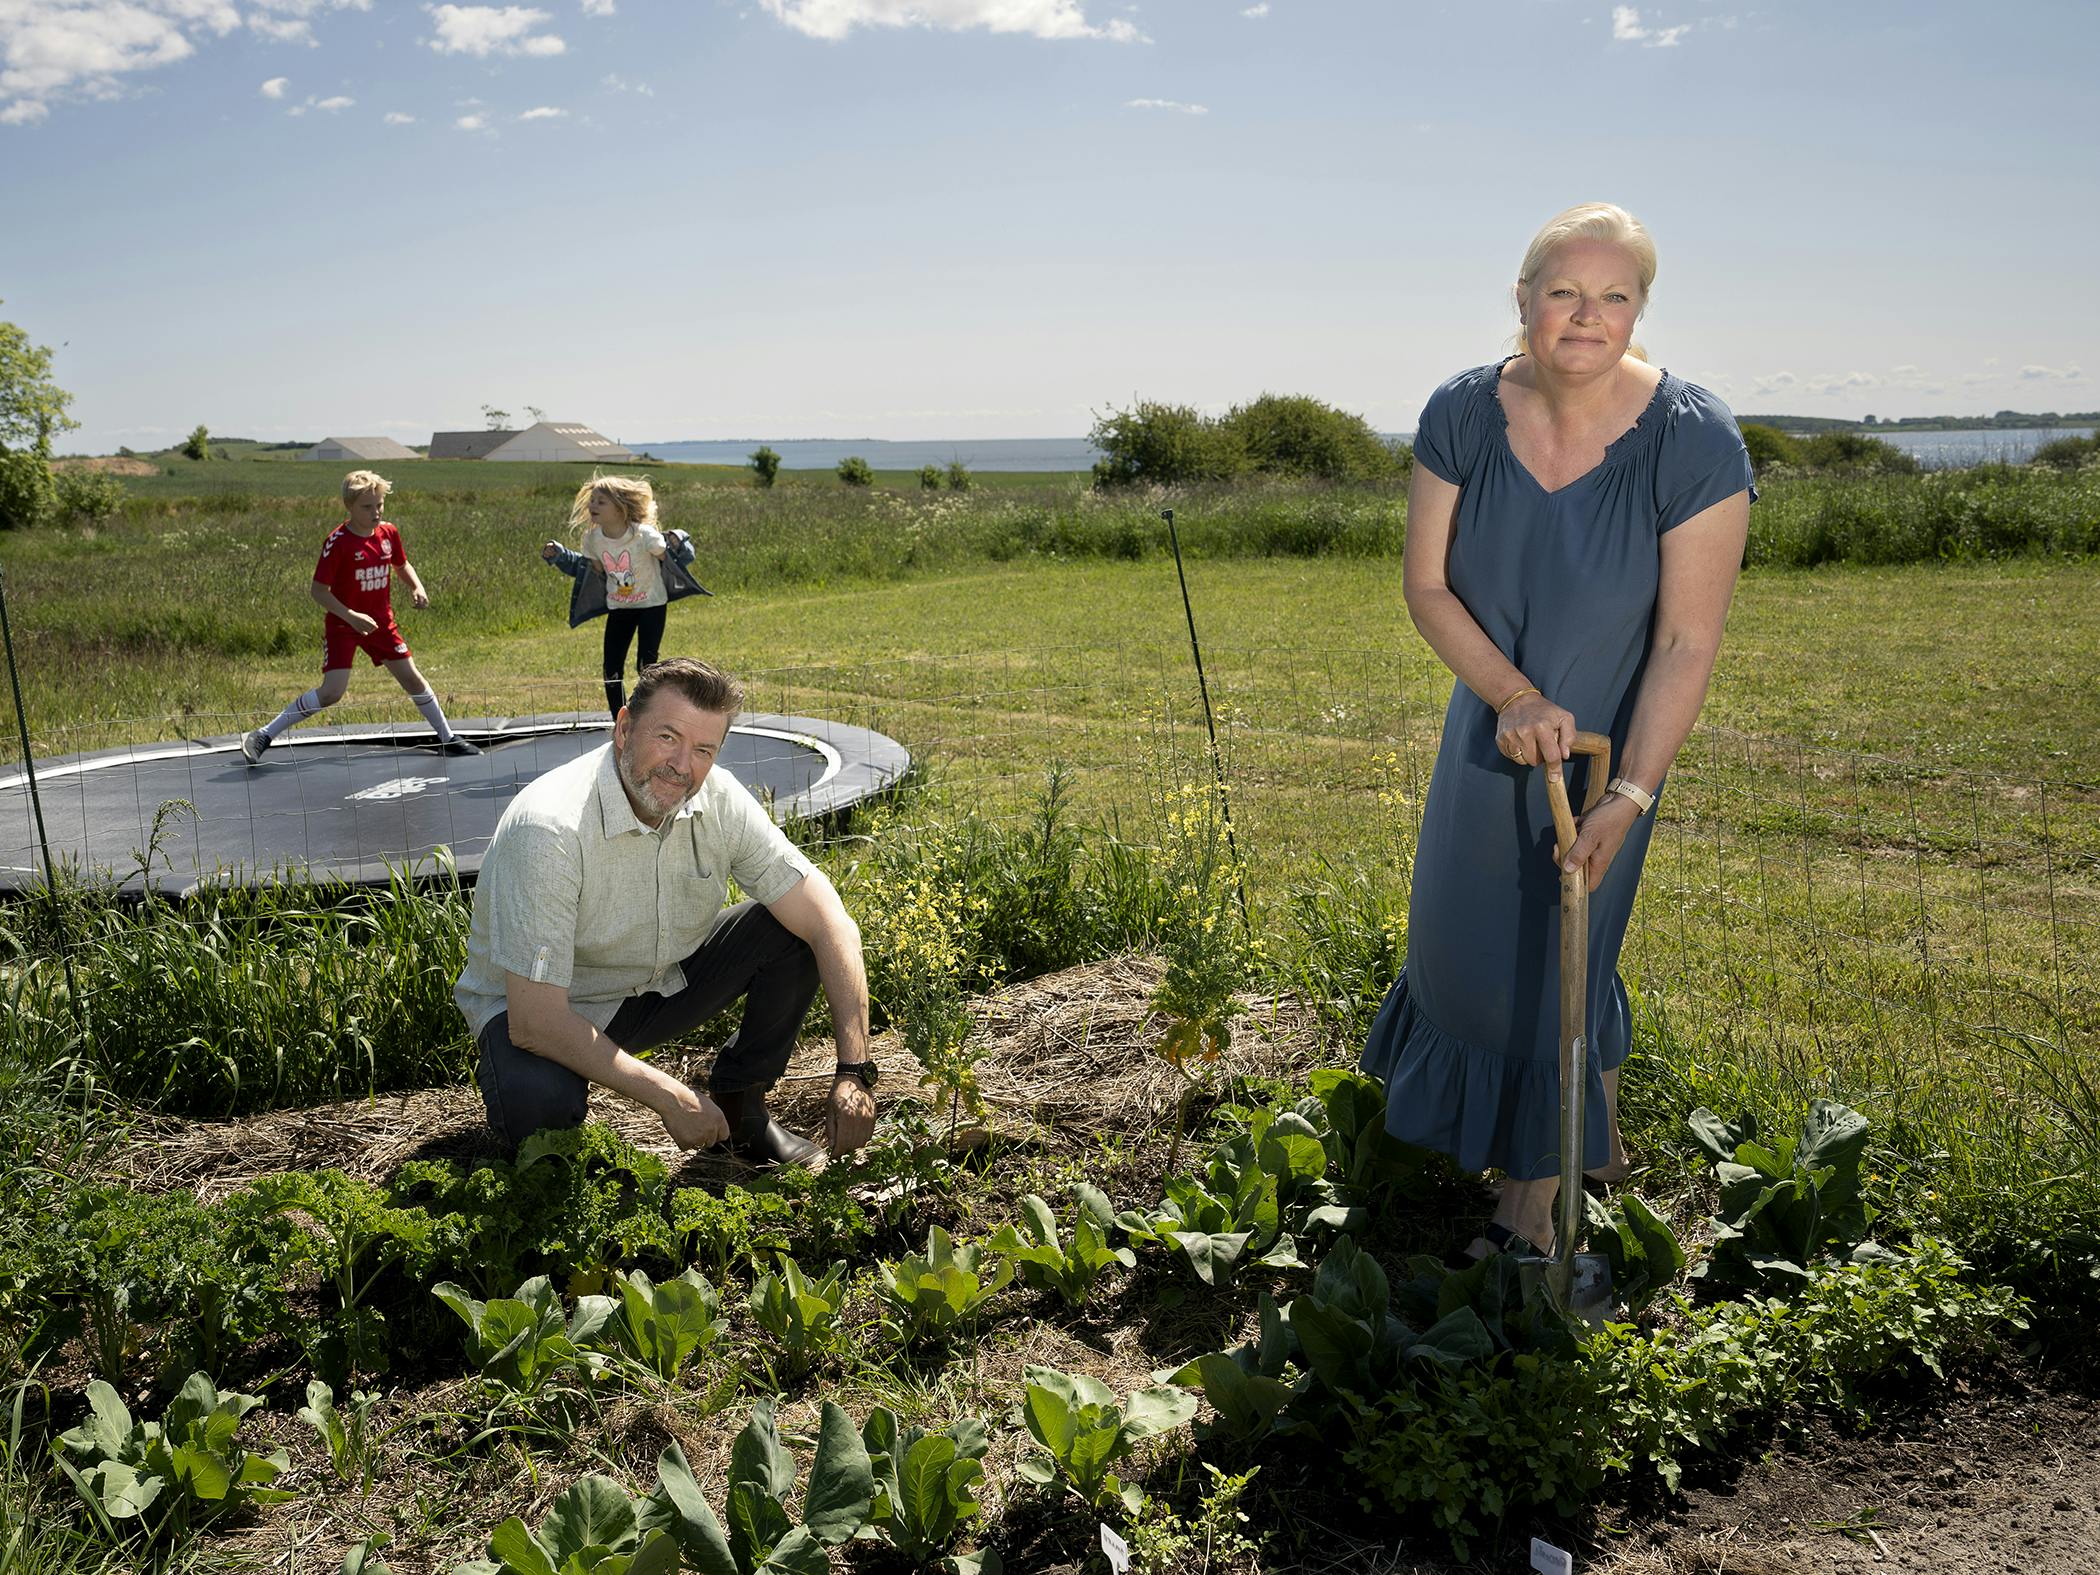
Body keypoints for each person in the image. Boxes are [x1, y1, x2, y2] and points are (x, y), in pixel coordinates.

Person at [1362, 203, 1755, 1261]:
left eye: (1614, 295)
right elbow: (1428, 585)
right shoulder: (1460, 412)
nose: (1588, 315)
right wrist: (1511, 696)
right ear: (1524, 299)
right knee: (1459, 950)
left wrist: (1631, 793)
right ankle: (1600, 1141)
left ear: (1641, 310)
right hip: (1490, 731)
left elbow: (1685, 643)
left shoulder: (1693, 438)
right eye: (1564, 291)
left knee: (1562, 957)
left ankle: (1532, 1220)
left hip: (1610, 755)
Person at [453, 656, 878, 1166]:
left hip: (654, 985)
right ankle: (559, 1171)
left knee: (793, 932)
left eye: (704, 749)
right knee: (541, 1108)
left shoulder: (718, 799)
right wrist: (668, 1095)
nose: (683, 766)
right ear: (624, 728)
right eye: (668, 738)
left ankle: (742, 1111)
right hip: (545, 1009)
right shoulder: (550, 829)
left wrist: (855, 1070)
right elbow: (535, 1021)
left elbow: (829, 918)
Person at [242, 470, 480, 762]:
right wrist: (351, 615)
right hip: (344, 624)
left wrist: (416, 587)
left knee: (413, 679)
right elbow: (318, 591)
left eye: (379, 505)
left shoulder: (388, 533)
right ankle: (264, 734)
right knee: (332, 692)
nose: (376, 512)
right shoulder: (338, 542)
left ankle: (448, 738)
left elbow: (402, 565)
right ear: (349, 507)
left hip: (381, 623)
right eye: (367, 507)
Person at [541, 476, 709, 719]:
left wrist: (678, 543)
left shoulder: (645, 536)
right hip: (619, 607)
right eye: (592, 501)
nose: (593, 506)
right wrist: (559, 555)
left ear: (620, 508)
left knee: (646, 667)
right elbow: (587, 570)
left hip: (652, 606)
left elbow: (675, 561)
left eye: (601, 502)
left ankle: (648, 716)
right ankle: (620, 720)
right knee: (611, 669)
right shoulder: (592, 539)